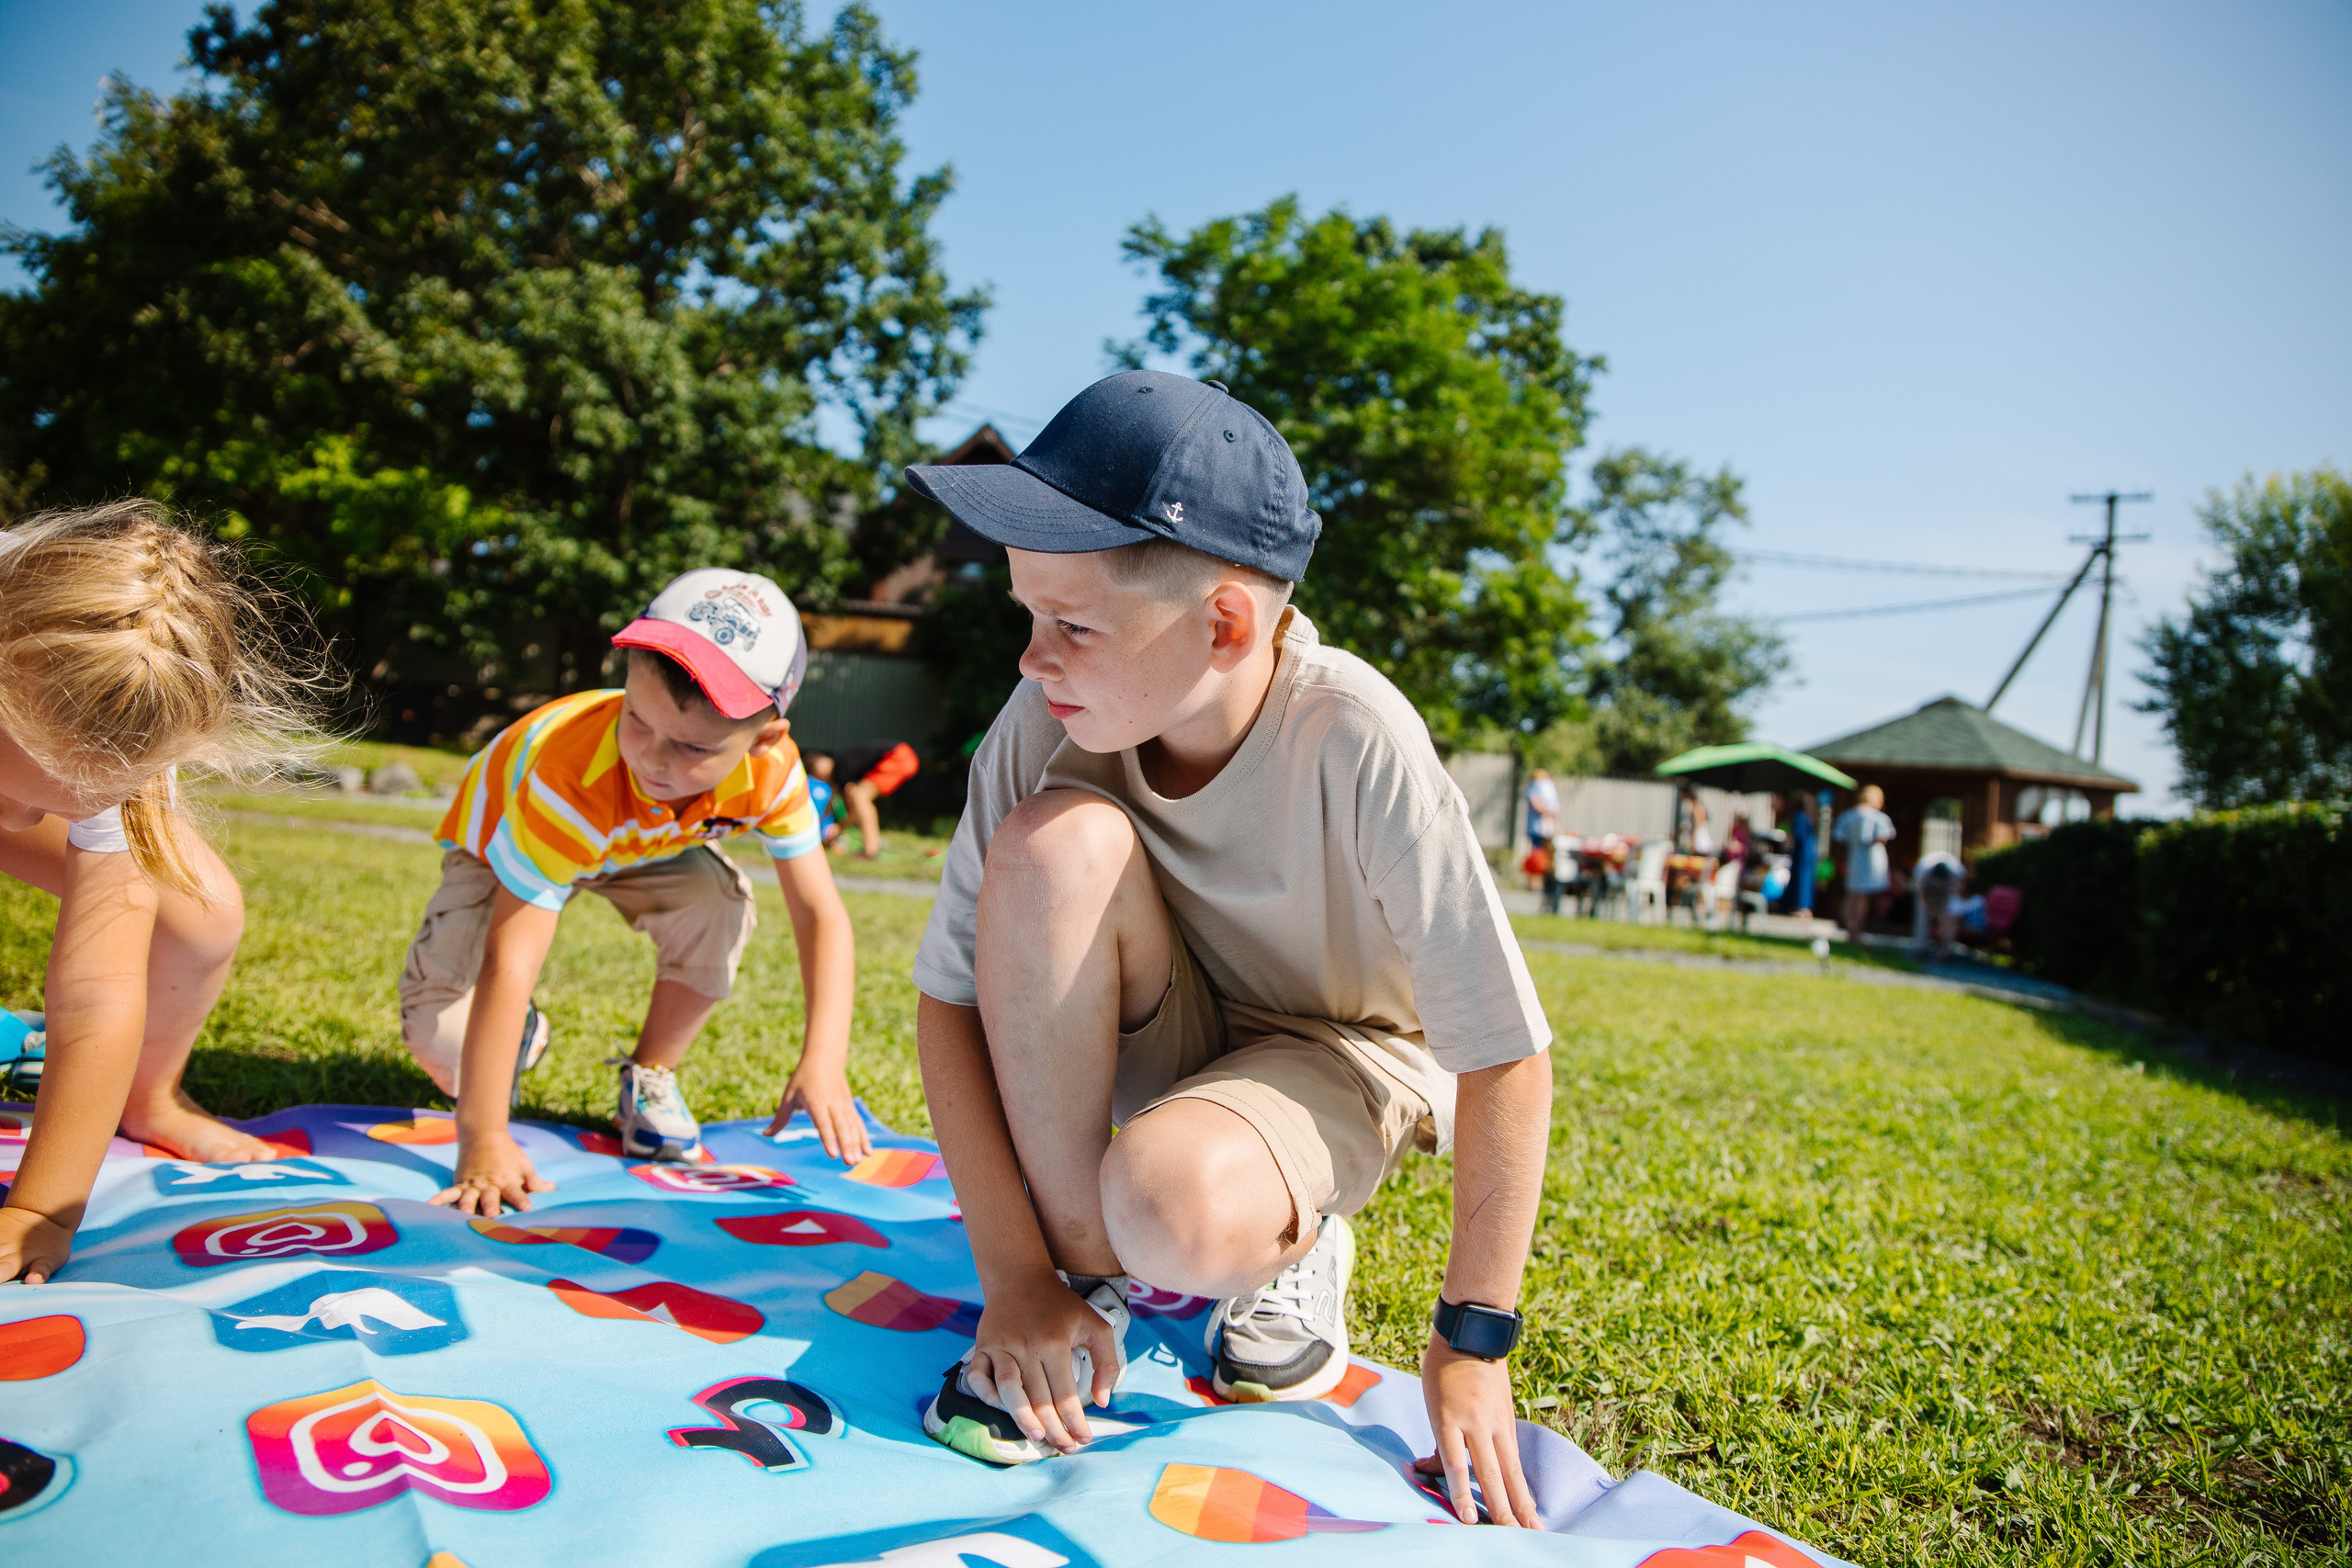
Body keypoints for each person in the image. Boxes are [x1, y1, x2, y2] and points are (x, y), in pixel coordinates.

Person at [900, 372, 1554, 1526]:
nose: (1030, 659)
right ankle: (1084, 1271)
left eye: (1073, 625)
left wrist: (1471, 1344)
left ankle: (1285, 1242)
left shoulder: (1354, 733)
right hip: (1175, 1022)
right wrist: (1015, 1279)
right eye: (1027, 617)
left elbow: (1502, 1049)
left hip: (1336, 1049)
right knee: (1053, 845)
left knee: (1174, 1207)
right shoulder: (1041, 725)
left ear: (1224, 623)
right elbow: (948, 1000)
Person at [403, 569, 867, 1217]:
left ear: (764, 740)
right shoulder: (571, 772)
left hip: (633, 845)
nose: (651, 759)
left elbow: (821, 914)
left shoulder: (772, 774)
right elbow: (512, 956)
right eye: (636, 718)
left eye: (690, 746)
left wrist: (824, 1058)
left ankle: (649, 1076)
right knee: (441, 1040)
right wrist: (484, 1136)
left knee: (718, 903)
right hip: (509, 840)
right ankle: (520, 1034)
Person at [0, 502, 328, 1285]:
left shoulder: (116, 718)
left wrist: (40, 1209)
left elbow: (96, 993)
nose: (29, 822)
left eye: (59, 807)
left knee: (202, 911)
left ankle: (148, 1097)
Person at [824, 738, 921, 860]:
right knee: (860, 798)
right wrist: (841, 827)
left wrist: (840, 827)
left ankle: (871, 849)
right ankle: (872, 845)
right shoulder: (844, 766)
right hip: (904, 756)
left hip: (898, 756)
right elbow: (855, 809)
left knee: (860, 797)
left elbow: (853, 804)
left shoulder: (841, 767)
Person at [1833, 784, 1896, 942]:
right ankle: (1856, 932)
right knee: (1861, 897)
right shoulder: (1878, 817)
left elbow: (1839, 835)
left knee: (1852, 895)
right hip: (1871, 861)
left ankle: (1850, 929)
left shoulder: (1849, 815)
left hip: (1854, 858)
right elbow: (1884, 836)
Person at [1912, 851, 1965, 961]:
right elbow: (1922, 893)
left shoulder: (1957, 871)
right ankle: (1920, 947)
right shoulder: (1922, 870)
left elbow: (1960, 890)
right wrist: (1931, 910)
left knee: (1949, 916)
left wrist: (1942, 912)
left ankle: (1943, 951)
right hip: (1926, 886)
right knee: (1922, 912)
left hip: (1948, 891)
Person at [1777, 792, 1818, 918]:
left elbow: (1797, 836)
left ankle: (1799, 906)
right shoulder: (1807, 817)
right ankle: (1803, 907)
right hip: (1807, 852)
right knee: (1804, 880)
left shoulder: (1798, 817)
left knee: (1801, 879)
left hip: (1801, 853)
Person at [805, 753, 846, 848]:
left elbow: (838, 808)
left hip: (826, 823)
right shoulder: (806, 781)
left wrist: (840, 821)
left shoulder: (832, 787)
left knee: (832, 832)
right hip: (807, 821)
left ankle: (831, 843)